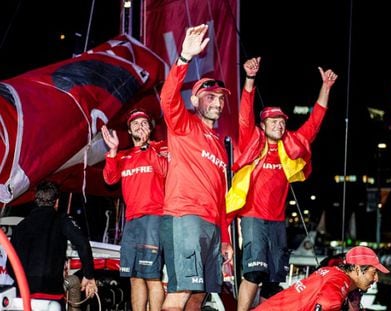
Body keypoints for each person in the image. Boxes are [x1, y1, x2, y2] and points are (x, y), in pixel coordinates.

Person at [227, 57, 338, 311]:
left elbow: (315, 121)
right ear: (263, 124)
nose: (279, 124)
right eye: (273, 121)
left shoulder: (291, 146)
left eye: (282, 121)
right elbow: (245, 112)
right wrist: (250, 79)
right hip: (253, 217)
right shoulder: (251, 140)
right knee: (254, 273)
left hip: (278, 221)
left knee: (273, 282)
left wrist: (326, 87)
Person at [159, 23, 233, 310]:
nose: (217, 102)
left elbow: (221, 196)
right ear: (194, 100)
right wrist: (183, 59)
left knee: (201, 293)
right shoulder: (183, 125)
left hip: (212, 225)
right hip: (184, 217)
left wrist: (225, 239)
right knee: (183, 290)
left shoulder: (219, 144)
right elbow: (167, 99)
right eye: (210, 96)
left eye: (220, 98)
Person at [102, 109, 167, 311]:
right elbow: (109, 179)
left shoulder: (160, 147)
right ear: (129, 130)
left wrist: (147, 147)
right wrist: (112, 152)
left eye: (144, 123)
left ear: (151, 128)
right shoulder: (123, 155)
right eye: (135, 124)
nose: (140, 126)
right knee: (134, 276)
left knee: (152, 275)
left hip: (154, 218)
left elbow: (166, 171)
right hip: (131, 221)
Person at [7, 181, 97, 304]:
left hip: (22, 295)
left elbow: (10, 264)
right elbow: (83, 244)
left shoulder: (21, 226)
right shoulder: (61, 220)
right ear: (57, 202)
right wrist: (89, 275)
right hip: (50, 293)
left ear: (36, 200)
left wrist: (23, 281)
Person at [253, 246, 390, 310]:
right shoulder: (340, 279)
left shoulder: (330, 271)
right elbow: (327, 303)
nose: (377, 279)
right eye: (374, 272)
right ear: (358, 269)